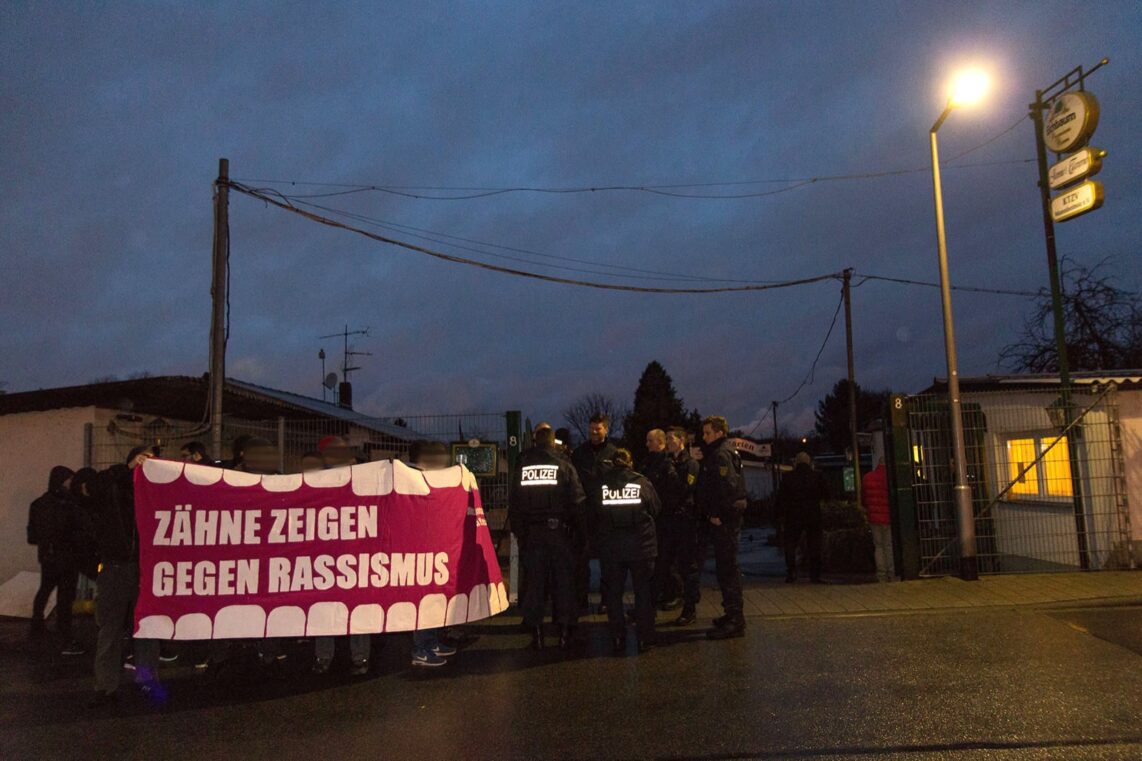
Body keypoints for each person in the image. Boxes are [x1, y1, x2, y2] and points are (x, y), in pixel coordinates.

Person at [88, 446, 162, 707]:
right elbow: (93, 489)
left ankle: (147, 679)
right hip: (115, 569)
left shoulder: (155, 491)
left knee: (148, 627)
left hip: (144, 569)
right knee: (111, 628)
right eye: (144, 459)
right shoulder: (113, 486)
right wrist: (127, 469)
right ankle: (106, 686)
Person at [510, 426, 585, 650]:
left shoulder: (523, 467)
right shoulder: (564, 465)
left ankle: (537, 633)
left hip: (533, 535)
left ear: (535, 441)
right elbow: (578, 502)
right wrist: (580, 535)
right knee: (563, 582)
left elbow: (514, 504)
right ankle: (564, 631)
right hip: (559, 534)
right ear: (553, 443)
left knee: (535, 584)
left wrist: (521, 535)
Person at [312, 438, 371, 676]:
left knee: (356, 610)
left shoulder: (363, 482)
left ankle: (358, 657)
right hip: (326, 558)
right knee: (326, 610)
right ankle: (326, 656)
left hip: (354, 556)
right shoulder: (316, 482)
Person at [594, 448, 660, 655]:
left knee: (614, 594)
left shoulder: (602, 485)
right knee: (643, 592)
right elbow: (656, 508)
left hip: (612, 548)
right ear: (630, 463)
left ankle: (617, 636)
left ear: (613, 463)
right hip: (641, 546)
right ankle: (644, 638)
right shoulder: (642, 482)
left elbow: (594, 513)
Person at [406, 440, 459, 668]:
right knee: (423, 601)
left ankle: (432, 641)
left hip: (433, 549)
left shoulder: (430, 478)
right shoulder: (411, 479)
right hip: (418, 552)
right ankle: (421, 649)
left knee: (434, 599)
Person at [695, 416, 748, 640]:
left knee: (728, 570)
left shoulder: (720, 455)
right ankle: (731, 614)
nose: (704, 437)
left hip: (725, 521)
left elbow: (727, 489)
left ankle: (735, 619)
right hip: (724, 519)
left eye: (707, 433)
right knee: (726, 569)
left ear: (718, 432)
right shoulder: (719, 453)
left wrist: (718, 515)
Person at [27, 465, 85, 655]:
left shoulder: (38, 503)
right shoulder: (69, 503)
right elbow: (78, 528)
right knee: (65, 597)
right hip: (67, 556)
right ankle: (65, 636)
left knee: (45, 589)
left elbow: (32, 536)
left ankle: (36, 623)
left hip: (48, 556)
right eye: (69, 481)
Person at [571, 413, 617, 613]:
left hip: (607, 515)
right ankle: (581, 600)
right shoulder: (580, 453)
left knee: (608, 560)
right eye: (591, 429)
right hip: (584, 513)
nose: (594, 432)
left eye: (598, 429)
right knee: (581, 559)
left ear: (606, 429)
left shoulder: (614, 453)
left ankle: (607, 600)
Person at [657, 427, 702, 626]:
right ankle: (672, 596)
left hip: (684, 522)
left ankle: (690, 607)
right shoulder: (667, 462)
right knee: (665, 563)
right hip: (668, 521)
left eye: (670, 438)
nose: (667, 441)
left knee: (687, 565)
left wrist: (671, 472)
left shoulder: (690, 464)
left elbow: (685, 489)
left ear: (681, 440)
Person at [639, 429, 676, 609]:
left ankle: (671, 594)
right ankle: (658, 596)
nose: (647, 444)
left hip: (664, 520)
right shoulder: (647, 463)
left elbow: (670, 492)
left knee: (664, 560)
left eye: (650, 441)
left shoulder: (667, 464)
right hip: (652, 520)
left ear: (661, 442)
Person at [779, 452, 828, 584]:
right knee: (814, 545)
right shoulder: (817, 476)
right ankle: (815, 575)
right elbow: (825, 494)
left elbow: (781, 499)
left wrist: (781, 517)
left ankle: (791, 572)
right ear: (809, 462)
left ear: (796, 462)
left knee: (790, 545)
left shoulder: (787, 477)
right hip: (813, 515)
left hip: (793, 516)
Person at [862, 457, 895, 582]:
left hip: (874, 517)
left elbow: (864, 499)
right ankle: (891, 572)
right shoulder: (891, 477)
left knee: (879, 546)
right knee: (888, 545)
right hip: (888, 516)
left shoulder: (867, 477)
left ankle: (881, 573)